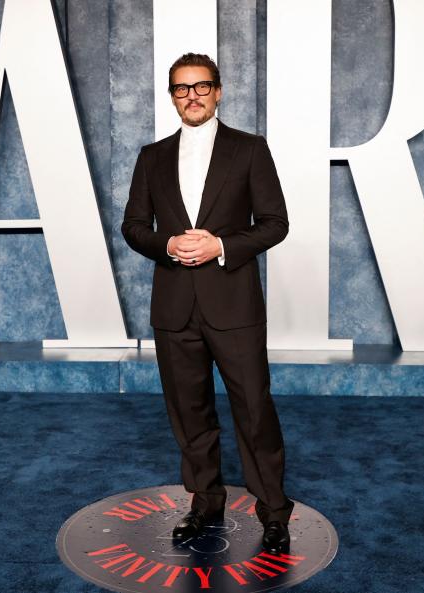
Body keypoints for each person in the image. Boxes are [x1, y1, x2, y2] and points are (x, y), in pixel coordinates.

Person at [121, 53, 294, 553]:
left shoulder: (249, 150)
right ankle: (205, 502)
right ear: (172, 96)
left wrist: (221, 246)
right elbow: (133, 227)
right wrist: (168, 246)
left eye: (202, 86)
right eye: (181, 88)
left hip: (234, 304)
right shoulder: (151, 156)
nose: (192, 95)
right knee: (188, 411)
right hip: (174, 306)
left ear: (219, 91)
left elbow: (275, 223)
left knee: (254, 408)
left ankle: (274, 510)